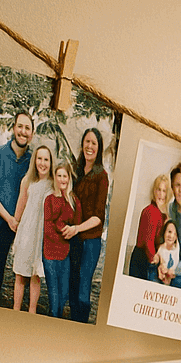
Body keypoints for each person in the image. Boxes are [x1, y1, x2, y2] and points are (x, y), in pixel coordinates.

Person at [0, 110, 33, 305]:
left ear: (32, 133)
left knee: (22, 271)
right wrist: (8, 218)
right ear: (13, 128)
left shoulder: (33, 161)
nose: (23, 131)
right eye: (20, 126)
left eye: (27, 128)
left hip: (22, 225)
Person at [64, 127, 110, 323]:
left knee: (83, 288)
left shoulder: (102, 176)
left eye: (94, 143)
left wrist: (77, 228)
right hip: (73, 238)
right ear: (82, 144)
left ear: (99, 148)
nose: (89, 146)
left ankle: (81, 324)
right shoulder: (75, 170)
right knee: (72, 285)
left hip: (90, 241)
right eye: (87, 142)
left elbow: (98, 217)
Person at [9, 144, 54, 313]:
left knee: (35, 275)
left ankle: (32, 311)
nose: (42, 163)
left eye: (46, 159)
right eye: (39, 159)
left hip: (41, 234)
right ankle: (16, 309)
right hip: (27, 231)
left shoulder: (53, 184)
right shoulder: (27, 181)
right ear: (35, 161)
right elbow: (21, 204)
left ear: (51, 162)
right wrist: (15, 221)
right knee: (20, 273)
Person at [41, 164, 78, 318]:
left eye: (65, 176)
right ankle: (53, 319)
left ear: (69, 178)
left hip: (65, 253)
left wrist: (68, 229)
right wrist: (63, 234)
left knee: (63, 294)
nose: (62, 179)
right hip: (50, 252)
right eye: (59, 176)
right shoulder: (49, 199)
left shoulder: (73, 200)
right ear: (55, 178)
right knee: (54, 295)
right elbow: (48, 227)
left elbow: (77, 221)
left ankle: (58, 319)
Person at [131, 173, 171, 280]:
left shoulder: (162, 214)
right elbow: (148, 241)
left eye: (164, 191)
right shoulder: (151, 211)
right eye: (158, 189)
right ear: (154, 191)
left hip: (147, 258)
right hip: (144, 259)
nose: (161, 194)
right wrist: (154, 260)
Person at [154, 220, 181, 284]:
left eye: (174, 234)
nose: (171, 236)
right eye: (169, 232)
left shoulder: (177, 247)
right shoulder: (161, 248)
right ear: (164, 233)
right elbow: (158, 259)